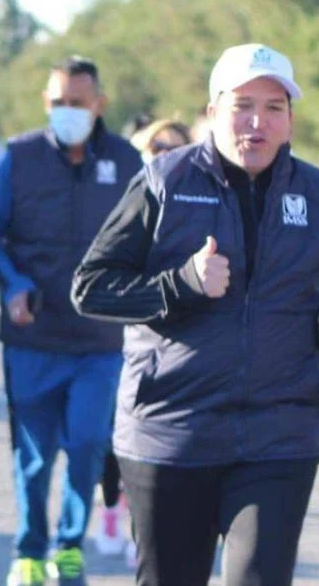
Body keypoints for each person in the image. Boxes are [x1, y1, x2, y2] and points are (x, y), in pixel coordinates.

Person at [72, 43, 319, 586]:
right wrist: (181, 283)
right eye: (242, 105)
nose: (257, 122)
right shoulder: (164, 182)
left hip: (280, 435)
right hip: (171, 433)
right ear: (212, 113)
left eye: (274, 107)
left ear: (290, 121)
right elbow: (92, 288)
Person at [0, 56, 142, 586]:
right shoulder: (21, 157)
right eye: (57, 103)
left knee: (89, 443)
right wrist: (13, 285)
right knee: (33, 454)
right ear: (45, 105)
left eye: (77, 102)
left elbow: (151, 236)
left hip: (101, 340)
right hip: (34, 335)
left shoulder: (126, 159)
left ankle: (70, 544)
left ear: (100, 104)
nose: (67, 111)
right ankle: (29, 549)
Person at [93, 116, 192, 565]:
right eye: (156, 148)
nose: (164, 155)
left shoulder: (198, 205)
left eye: (174, 148)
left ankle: (145, 531)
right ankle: (111, 509)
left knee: (164, 444)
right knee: (115, 440)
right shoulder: (131, 199)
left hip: (175, 349)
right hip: (118, 344)